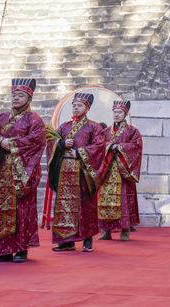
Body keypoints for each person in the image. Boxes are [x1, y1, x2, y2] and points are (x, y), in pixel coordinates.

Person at [0, 78, 46, 263]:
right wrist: (0, 142)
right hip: (1, 170)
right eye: (14, 95)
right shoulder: (1, 117)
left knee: (21, 209)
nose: (16, 98)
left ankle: (21, 249)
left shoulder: (35, 120)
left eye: (20, 95)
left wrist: (12, 143)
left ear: (29, 98)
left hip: (21, 171)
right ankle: (1, 249)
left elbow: (37, 141)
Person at [48, 93, 105, 252]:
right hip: (64, 171)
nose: (76, 107)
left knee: (85, 205)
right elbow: (51, 143)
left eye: (79, 105)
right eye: (74, 105)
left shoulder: (94, 127)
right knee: (64, 206)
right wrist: (61, 144)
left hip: (83, 172)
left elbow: (99, 146)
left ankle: (87, 240)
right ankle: (66, 241)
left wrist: (79, 152)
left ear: (87, 108)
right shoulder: (64, 127)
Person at [98, 100, 143, 241]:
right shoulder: (106, 131)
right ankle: (106, 231)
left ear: (125, 114)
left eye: (119, 112)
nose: (116, 115)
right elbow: (99, 145)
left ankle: (125, 229)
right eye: (115, 112)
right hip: (107, 170)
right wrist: (108, 146)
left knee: (123, 200)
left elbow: (137, 146)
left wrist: (120, 147)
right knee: (104, 200)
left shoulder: (132, 131)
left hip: (122, 170)